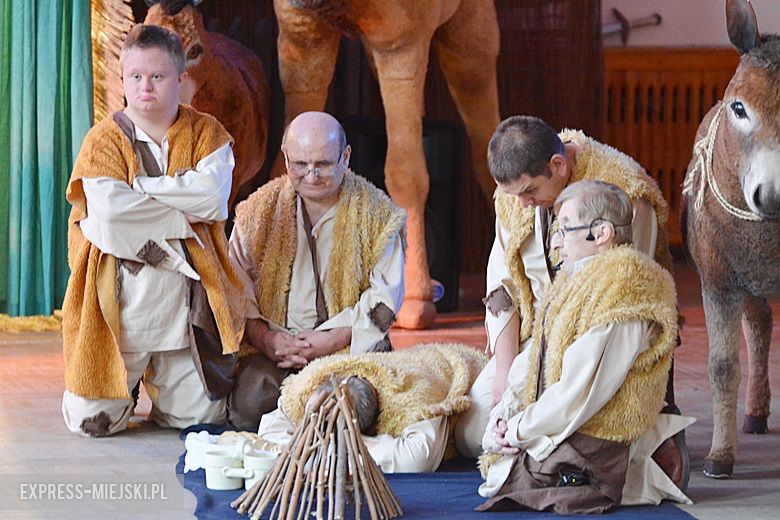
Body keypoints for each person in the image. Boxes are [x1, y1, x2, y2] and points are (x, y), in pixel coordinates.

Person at [61, 24, 248, 437]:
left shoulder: (208, 134)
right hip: (123, 304)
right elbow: (107, 218)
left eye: (158, 77)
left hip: (182, 307)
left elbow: (212, 200)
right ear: (123, 79)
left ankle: (166, 388)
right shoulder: (103, 140)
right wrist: (183, 218)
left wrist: (140, 189)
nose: (145, 87)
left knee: (202, 422)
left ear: (181, 80)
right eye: (136, 77)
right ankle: (121, 388)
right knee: (93, 423)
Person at [454, 115, 675, 458]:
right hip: (537, 340)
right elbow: (501, 289)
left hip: (598, 341)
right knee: (472, 435)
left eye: (530, 191)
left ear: (557, 165)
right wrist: (504, 369)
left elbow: (626, 290)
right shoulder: (515, 196)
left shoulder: (626, 193)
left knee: (544, 433)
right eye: (514, 195)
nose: (523, 204)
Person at [477, 180, 693, 514]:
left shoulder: (626, 286)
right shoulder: (576, 279)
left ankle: (642, 470)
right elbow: (540, 357)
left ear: (602, 233)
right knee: (492, 451)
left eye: (564, 229)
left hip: (602, 433)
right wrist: (508, 410)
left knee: (504, 479)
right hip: (568, 417)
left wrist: (520, 429)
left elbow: (582, 389)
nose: (556, 244)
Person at [227, 111, 406, 431]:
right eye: (300, 165)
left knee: (354, 405)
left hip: (347, 348)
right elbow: (235, 289)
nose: (311, 175)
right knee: (250, 406)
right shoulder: (258, 211)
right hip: (276, 349)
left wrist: (328, 340)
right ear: (285, 159)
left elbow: (384, 302)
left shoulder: (378, 213)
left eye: (323, 164)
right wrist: (268, 340)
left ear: (345, 157)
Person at [256, 343, 487, 473]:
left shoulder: (414, 395)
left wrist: (347, 447)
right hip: (408, 361)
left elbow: (418, 459)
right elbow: (269, 429)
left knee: (471, 438)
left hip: (467, 371)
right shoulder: (311, 383)